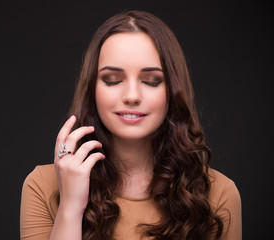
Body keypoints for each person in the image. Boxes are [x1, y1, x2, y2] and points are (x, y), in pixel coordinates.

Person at [20, 10, 242, 240]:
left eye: (151, 81)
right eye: (113, 80)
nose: (132, 96)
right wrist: (70, 207)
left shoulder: (219, 195)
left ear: (172, 92)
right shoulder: (43, 186)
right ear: (92, 90)